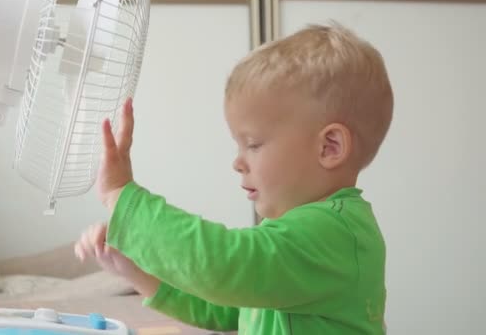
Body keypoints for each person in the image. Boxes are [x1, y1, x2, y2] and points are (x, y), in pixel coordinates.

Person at [75, 22, 393, 334]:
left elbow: (221, 266)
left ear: (329, 146)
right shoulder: (295, 232)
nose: (238, 162)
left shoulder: (334, 233)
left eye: (253, 144)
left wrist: (121, 195)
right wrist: (137, 271)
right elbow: (223, 307)